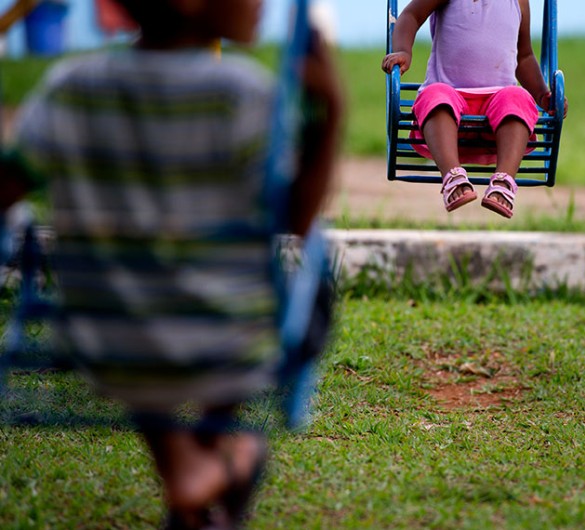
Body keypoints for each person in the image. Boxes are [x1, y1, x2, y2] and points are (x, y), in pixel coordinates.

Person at [0, 0, 343, 528]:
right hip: (226, 340)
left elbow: (7, 186)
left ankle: (185, 467)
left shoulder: (71, 87)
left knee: (138, 298)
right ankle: (223, 451)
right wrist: (331, 116)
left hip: (101, 340)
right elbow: (294, 220)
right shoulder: (242, 95)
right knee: (310, 280)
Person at [382, 0, 568, 219]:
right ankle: (452, 177)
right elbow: (411, 15)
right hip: (451, 100)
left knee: (518, 98)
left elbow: (524, 56)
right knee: (434, 96)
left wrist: (541, 95)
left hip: (498, 112)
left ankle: (503, 181)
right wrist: (404, 51)